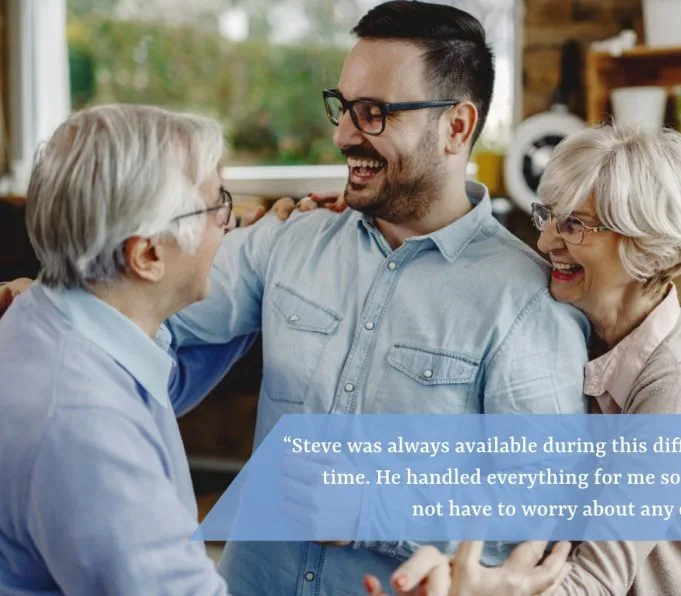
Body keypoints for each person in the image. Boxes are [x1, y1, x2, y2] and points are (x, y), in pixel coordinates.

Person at [162, 1, 590, 593]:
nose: (342, 135)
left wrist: (375, 512)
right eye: (343, 107)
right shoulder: (290, 239)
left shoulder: (524, 303)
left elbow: (539, 518)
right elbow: (153, 323)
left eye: (373, 113)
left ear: (457, 127)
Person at [363, 125, 681, 596]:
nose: (546, 243)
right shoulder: (579, 336)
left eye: (575, 225)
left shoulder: (680, 398)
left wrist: (469, 587)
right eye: (548, 216)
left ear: (647, 245)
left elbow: (592, 585)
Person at [0, 104, 261, 594]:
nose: (228, 223)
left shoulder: (41, 317)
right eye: (217, 205)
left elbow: (165, 371)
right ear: (147, 255)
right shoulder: (82, 425)